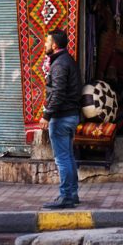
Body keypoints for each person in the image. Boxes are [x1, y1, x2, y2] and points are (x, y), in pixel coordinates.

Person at [42, 29, 83, 209]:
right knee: (68, 157)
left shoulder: (59, 65)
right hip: (71, 115)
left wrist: (46, 115)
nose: (44, 45)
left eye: (47, 42)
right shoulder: (68, 61)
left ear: (54, 45)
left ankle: (66, 196)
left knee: (62, 158)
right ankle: (72, 194)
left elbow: (58, 93)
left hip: (62, 117)